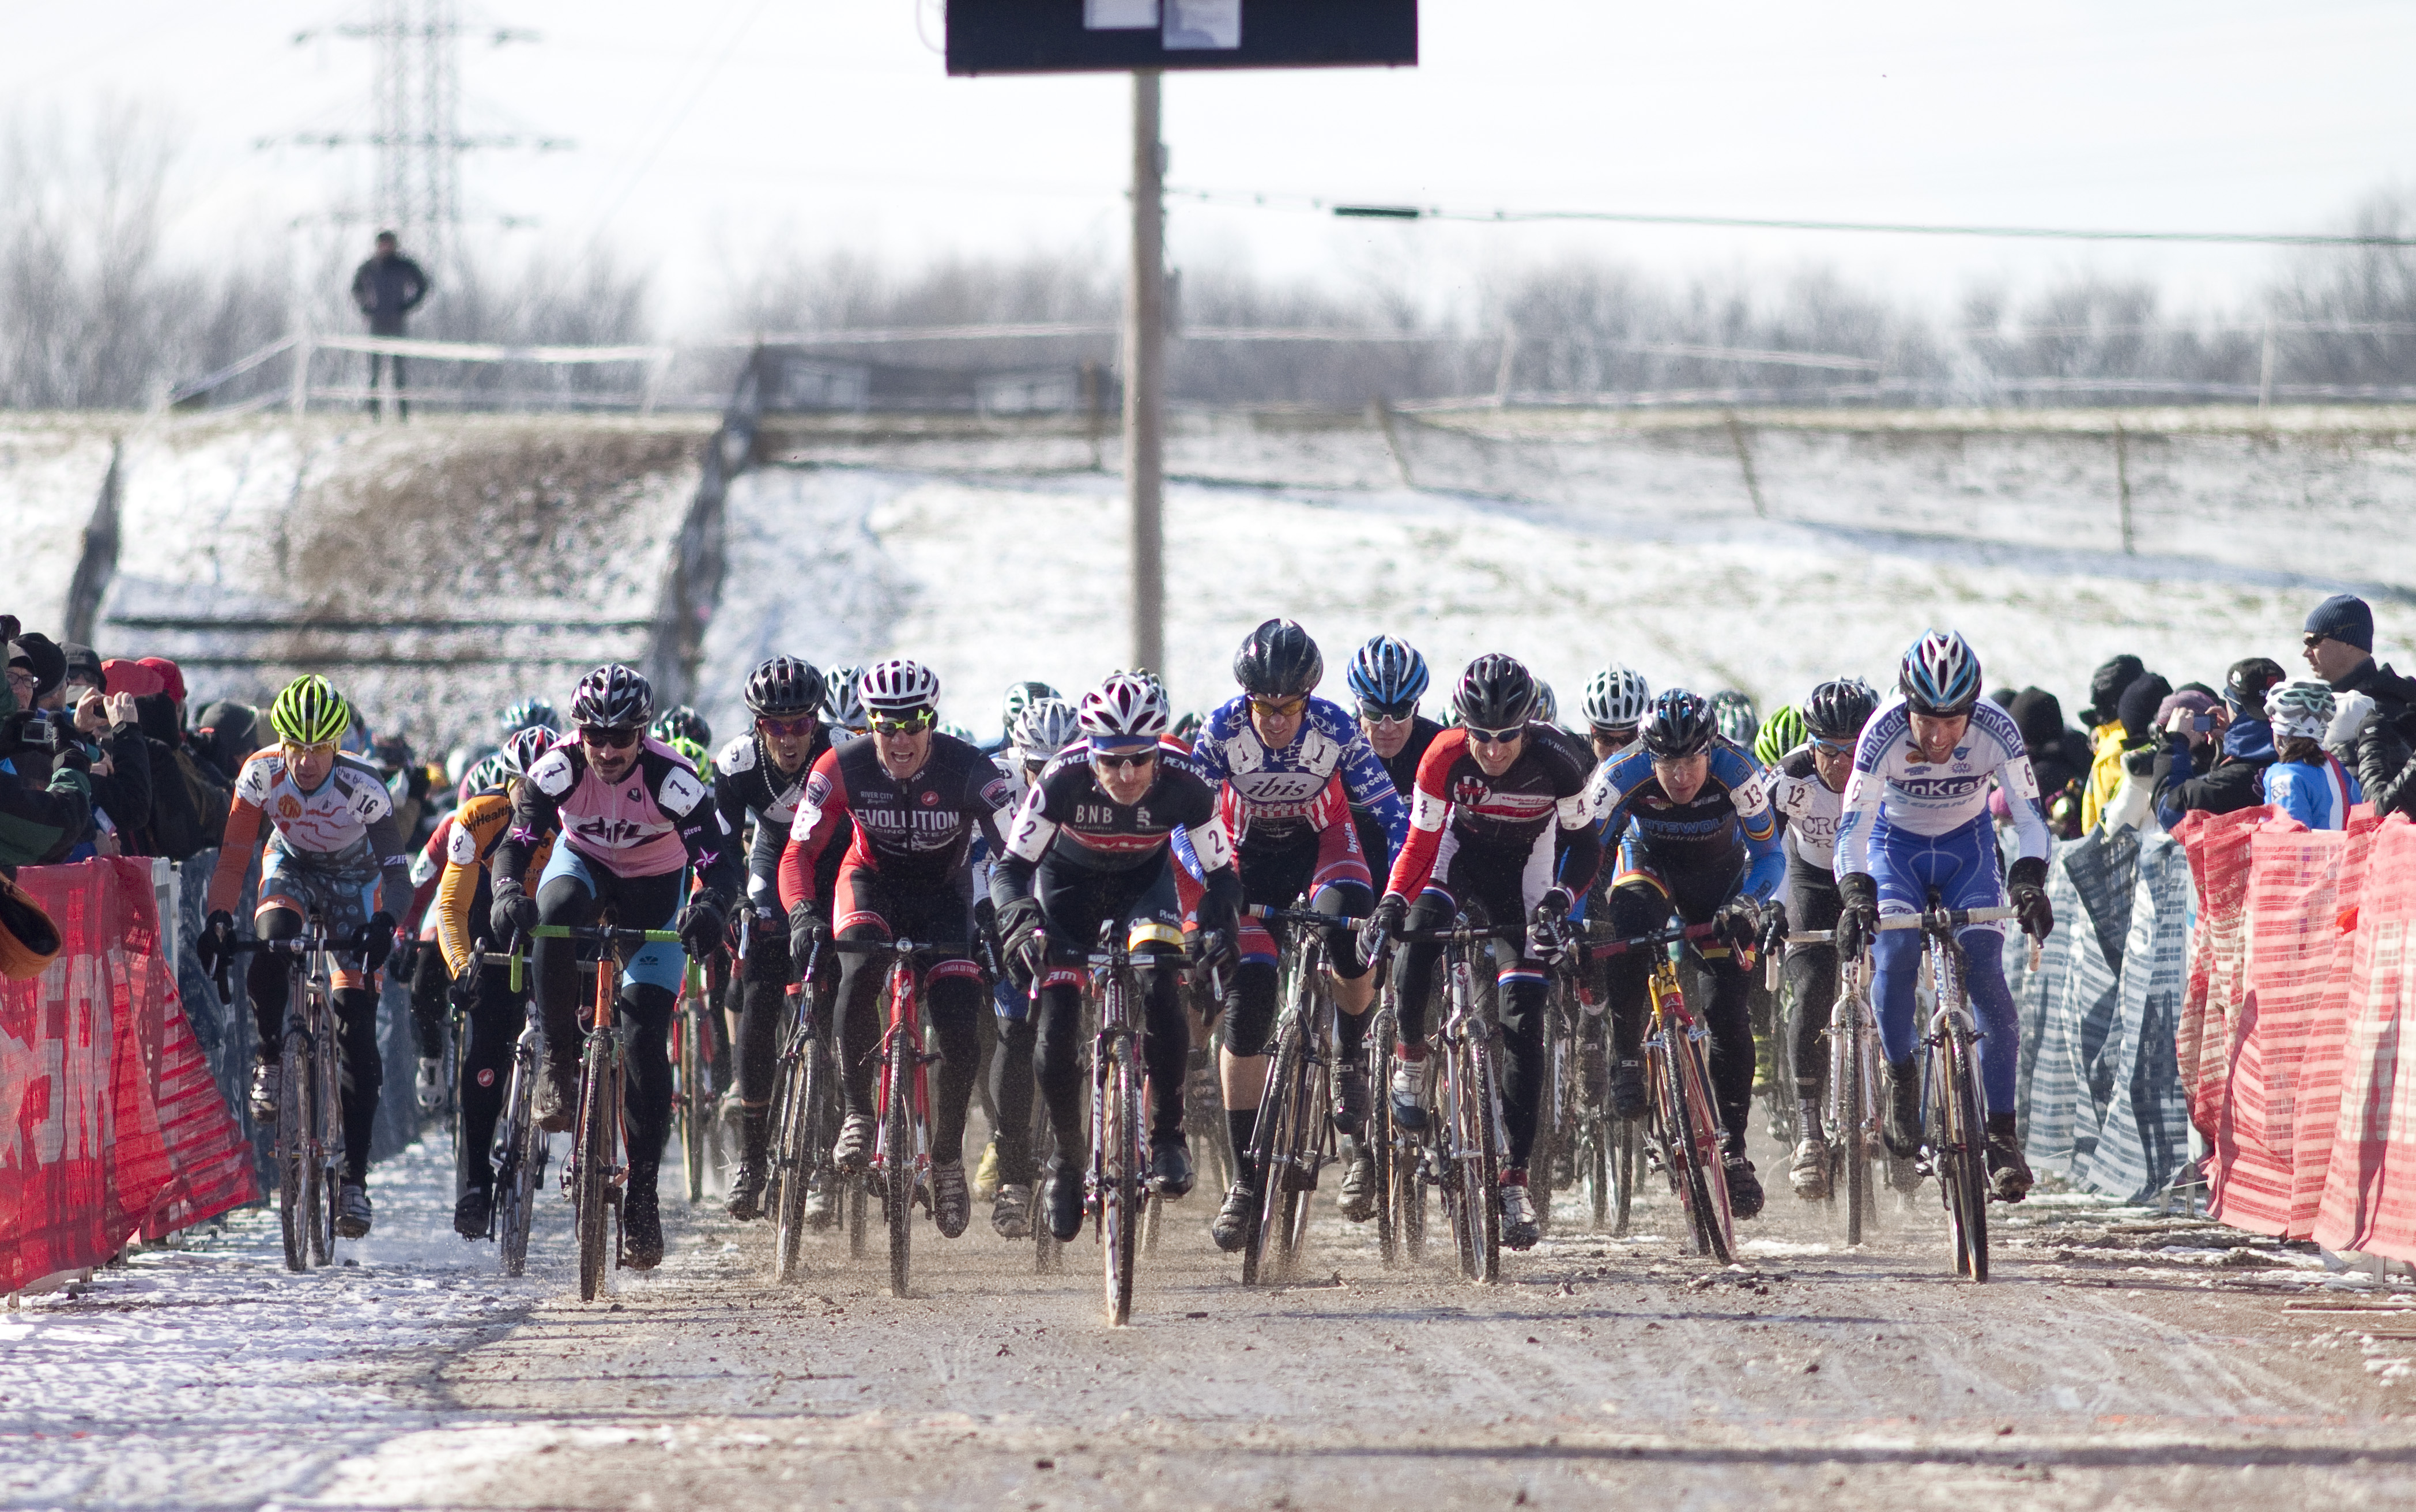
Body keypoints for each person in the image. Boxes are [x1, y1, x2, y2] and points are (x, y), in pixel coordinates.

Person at [488, 663, 739, 1269]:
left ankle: (644, 1198)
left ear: (642, 733)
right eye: (593, 735)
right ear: (577, 732)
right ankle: (557, 1061)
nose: (605, 750)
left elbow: (721, 864)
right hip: (585, 869)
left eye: (620, 737)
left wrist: (708, 906)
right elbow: (517, 845)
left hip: (658, 889)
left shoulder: (672, 780)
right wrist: (503, 892)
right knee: (553, 908)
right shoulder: (558, 768)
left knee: (648, 1039)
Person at [990, 672, 1242, 1243]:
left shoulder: (1185, 784)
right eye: (1112, 761)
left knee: (1160, 987)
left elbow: (1224, 876)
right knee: (1054, 1029)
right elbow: (1009, 870)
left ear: (1157, 751)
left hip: (1143, 888)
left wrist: (1217, 928)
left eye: (1140, 759)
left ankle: (1168, 1134)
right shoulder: (1060, 779)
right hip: (1067, 890)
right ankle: (1065, 1163)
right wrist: (1019, 920)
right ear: (1091, 753)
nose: (1127, 775)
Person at [1361, 653, 1600, 1251]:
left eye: (1507, 737)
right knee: (1417, 935)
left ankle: (1514, 1177)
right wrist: (1392, 900)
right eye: (1482, 737)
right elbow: (1420, 844)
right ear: (1463, 725)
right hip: (1458, 862)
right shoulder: (1442, 755)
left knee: (1524, 1019)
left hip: (1528, 873)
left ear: (1528, 726)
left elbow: (1585, 847)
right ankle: (1411, 1059)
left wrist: (1560, 900)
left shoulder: (1560, 761)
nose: (1493, 750)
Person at [777, 658, 1016, 1242]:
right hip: (871, 883)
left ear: (932, 720)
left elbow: (1014, 855)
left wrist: (1008, 919)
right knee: (857, 970)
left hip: (944, 894)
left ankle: (947, 1158)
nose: (901, 738)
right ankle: (859, 1111)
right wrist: (803, 912)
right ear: (870, 724)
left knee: (960, 1027)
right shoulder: (840, 767)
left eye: (915, 723)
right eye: (888, 725)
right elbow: (796, 854)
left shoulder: (971, 770)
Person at [1186, 620, 1408, 1243]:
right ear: (1247, 698)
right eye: (1265, 705)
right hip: (1245, 861)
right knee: (1248, 1009)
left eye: (1288, 707)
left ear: (1308, 699)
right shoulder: (1221, 731)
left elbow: (1391, 815)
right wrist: (1210, 897)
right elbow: (1185, 823)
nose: (1277, 719)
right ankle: (1246, 1179)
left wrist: (1398, 894)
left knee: (1349, 941)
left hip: (1323, 849)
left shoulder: (1336, 729)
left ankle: (1347, 1057)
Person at [1832, 629, 2053, 1205]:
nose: (1936, 735)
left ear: (1971, 710)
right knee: (1898, 953)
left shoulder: (1997, 728)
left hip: (1969, 849)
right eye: (1925, 719)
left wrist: (2028, 881)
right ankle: (1902, 1076)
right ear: (1905, 705)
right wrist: (1857, 893)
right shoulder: (1881, 732)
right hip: (1894, 851)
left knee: (1987, 975)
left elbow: (2031, 822)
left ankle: (2002, 1135)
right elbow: (1852, 832)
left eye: (1952, 721)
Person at [197, 676, 411, 1240]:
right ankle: (272, 1055)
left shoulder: (364, 785)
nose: (307, 759)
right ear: (282, 742)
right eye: (297, 745)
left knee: (356, 1026)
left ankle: (355, 1183)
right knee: (271, 944)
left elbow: (396, 871)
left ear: (337, 745)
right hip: (289, 864)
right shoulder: (260, 774)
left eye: (319, 747)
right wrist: (220, 914)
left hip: (356, 880)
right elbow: (235, 852)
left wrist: (388, 922)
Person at [1586, 687, 1785, 1219]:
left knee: (1727, 1011)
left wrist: (1747, 902)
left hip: (1718, 880)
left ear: (1711, 749)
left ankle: (1735, 1150)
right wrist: (1575, 914)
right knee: (1630, 926)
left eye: (1691, 761)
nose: (1679, 776)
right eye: (1667, 763)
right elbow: (1585, 850)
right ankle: (1625, 1054)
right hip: (1646, 862)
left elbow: (1769, 856)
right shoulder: (1620, 773)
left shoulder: (1738, 772)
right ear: (1648, 755)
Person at [711, 655, 840, 1222]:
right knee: (760, 994)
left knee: (842, 1003)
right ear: (756, 724)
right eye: (774, 725)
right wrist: (733, 899)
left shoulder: (842, 753)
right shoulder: (737, 762)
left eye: (800, 724)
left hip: (833, 860)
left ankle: (831, 1158)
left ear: (817, 720)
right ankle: (755, 1160)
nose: (789, 738)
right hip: (767, 857)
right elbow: (716, 849)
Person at [430, 723, 558, 1237]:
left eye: (543, 787)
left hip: (550, 931)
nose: (530, 798)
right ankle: (475, 1185)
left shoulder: (575, 821)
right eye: (520, 787)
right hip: (489, 933)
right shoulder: (479, 817)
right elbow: (451, 904)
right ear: (505, 785)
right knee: (484, 1054)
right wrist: (461, 967)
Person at [1766, 678, 1877, 1200]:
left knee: (1893, 981)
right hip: (1809, 879)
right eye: (1827, 751)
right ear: (1811, 747)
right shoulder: (1789, 778)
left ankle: (1900, 1105)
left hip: (1872, 876)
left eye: (1850, 751)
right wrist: (1764, 905)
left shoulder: (1885, 767)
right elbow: (1759, 843)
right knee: (1810, 988)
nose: (1839, 763)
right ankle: (1810, 1133)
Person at [977, 695, 1083, 1237]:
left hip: (1071, 900)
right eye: (1039, 768)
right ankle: (1013, 1174)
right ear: (1019, 760)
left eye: (1061, 764)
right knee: (1015, 1033)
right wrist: (986, 923)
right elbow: (981, 861)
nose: (1050, 779)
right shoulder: (997, 782)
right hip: (1011, 903)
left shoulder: (1097, 773)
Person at [1344, 634, 1443, 881]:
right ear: (1358, 708)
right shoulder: (1337, 746)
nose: (1388, 728)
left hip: (1419, 865)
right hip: (1352, 862)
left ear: (1416, 708)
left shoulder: (1438, 745)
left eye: (1400, 713)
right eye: (1374, 713)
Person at [351, 231, 429, 421]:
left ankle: (403, 413)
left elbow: (423, 285)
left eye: (389, 244)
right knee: (375, 371)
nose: (386, 247)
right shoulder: (370, 266)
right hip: (377, 323)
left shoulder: (404, 265)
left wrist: (407, 306)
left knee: (399, 371)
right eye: (382, 244)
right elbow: (356, 288)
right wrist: (367, 308)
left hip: (397, 322)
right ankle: (374, 414)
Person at [2266, 682, 2363, 829]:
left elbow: (2289, 838)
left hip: (2315, 853)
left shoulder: (2283, 776)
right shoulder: (2337, 768)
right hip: (2347, 852)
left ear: (2279, 734)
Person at [1580, 665, 1652, 763]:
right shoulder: (1575, 754)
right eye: (1607, 740)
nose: (1617, 751)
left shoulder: (1657, 763)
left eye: (1628, 739)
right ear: (1592, 729)